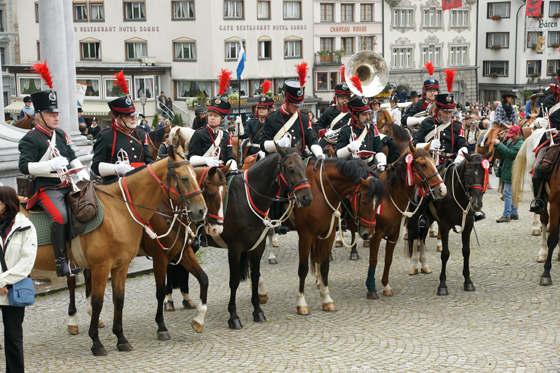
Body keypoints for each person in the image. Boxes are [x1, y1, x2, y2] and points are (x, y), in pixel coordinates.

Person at [18, 62, 88, 277]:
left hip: (69, 184)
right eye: (51, 114)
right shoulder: (30, 139)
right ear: (39, 116)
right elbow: (24, 166)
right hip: (47, 189)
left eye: (57, 113)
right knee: (60, 217)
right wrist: (50, 165)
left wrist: (82, 172)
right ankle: (61, 263)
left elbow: (72, 156)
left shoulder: (63, 135)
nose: (56, 117)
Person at [259, 63, 324, 236]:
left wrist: (319, 153)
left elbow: (311, 139)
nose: (297, 108)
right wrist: (279, 143)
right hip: (279, 159)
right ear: (286, 100)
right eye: (294, 104)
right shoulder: (272, 119)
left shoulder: (303, 118)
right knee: (278, 182)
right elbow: (262, 144)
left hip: (300, 158)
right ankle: (277, 219)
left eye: (299, 104)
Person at [413, 88, 470, 228]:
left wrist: (460, 156)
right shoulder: (427, 124)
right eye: (445, 111)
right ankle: (423, 214)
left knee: (469, 180)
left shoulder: (457, 126)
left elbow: (463, 144)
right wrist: (428, 145)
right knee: (424, 186)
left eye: (451, 112)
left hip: (451, 162)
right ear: (438, 109)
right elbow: (414, 144)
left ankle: (471, 209)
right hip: (432, 162)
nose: (448, 115)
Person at [91, 71, 153, 184]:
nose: (134, 118)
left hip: (140, 183)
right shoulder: (105, 136)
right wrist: (116, 169)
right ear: (119, 119)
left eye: (134, 115)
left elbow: (147, 159)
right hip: (115, 186)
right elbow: (95, 166)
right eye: (129, 116)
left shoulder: (141, 134)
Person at [0, 186, 37, 373]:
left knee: (13, 338)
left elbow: (26, 262)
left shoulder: (26, 227)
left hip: (13, 291)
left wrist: (2, 281)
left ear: (7, 204)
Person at [188, 70, 237, 171]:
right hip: (203, 173)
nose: (212, 118)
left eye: (215, 116)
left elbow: (230, 156)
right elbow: (191, 159)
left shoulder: (226, 136)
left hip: (222, 173)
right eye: (210, 115)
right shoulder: (198, 134)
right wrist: (206, 160)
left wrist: (232, 165)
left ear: (221, 119)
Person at [530, 69, 560, 214]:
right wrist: (539, 121)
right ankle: (539, 200)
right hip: (551, 139)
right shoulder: (549, 100)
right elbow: (537, 120)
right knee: (537, 167)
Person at [335, 95, 386, 170]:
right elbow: (337, 155)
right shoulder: (346, 130)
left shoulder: (372, 128)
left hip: (370, 168)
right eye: (364, 114)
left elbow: (378, 150)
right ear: (355, 117)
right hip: (352, 170)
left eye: (368, 114)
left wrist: (382, 161)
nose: (368, 117)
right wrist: (349, 149)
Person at [494, 125, 523, 223]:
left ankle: (506, 215)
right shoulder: (512, 142)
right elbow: (503, 152)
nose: (510, 137)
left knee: (506, 192)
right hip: (509, 170)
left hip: (513, 170)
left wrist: (499, 145)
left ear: (517, 134)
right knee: (512, 192)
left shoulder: (520, 144)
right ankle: (514, 212)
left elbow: (510, 153)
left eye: (512, 135)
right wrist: (497, 145)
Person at [240, 80, 273, 159]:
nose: (261, 110)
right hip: (253, 152)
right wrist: (239, 126)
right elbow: (244, 135)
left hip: (268, 153)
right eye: (259, 108)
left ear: (268, 110)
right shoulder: (252, 122)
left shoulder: (272, 123)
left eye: (264, 108)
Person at [401, 62, 439, 128]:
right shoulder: (420, 104)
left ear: (438, 92)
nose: (432, 93)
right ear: (425, 92)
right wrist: (418, 120)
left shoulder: (441, 103)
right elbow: (404, 120)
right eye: (430, 91)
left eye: (434, 91)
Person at [314, 82, 351, 148]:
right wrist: (325, 133)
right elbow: (317, 125)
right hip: (333, 144)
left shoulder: (352, 112)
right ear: (336, 98)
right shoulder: (330, 111)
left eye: (346, 98)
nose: (345, 100)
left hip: (348, 143)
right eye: (342, 98)